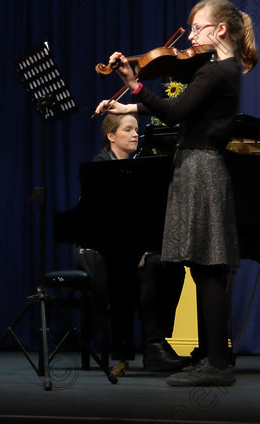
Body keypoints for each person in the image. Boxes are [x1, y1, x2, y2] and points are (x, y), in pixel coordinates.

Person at [95, 0, 259, 387]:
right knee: (205, 267)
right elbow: (180, 102)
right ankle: (213, 357)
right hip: (200, 165)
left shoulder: (218, 71)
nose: (192, 37)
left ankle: (217, 364)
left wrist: (133, 83)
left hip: (200, 167)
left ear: (220, 29)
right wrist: (131, 102)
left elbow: (173, 111)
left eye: (199, 27)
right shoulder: (217, 70)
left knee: (207, 268)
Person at [76, 113, 188, 375]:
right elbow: (100, 219)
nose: (135, 134)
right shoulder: (101, 164)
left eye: (136, 129)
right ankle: (126, 348)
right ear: (111, 136)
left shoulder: (143, 167)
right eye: (128, 129)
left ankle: (158, 345)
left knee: (168, 266)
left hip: (133, 245)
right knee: (132, 269)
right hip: (99, 248)